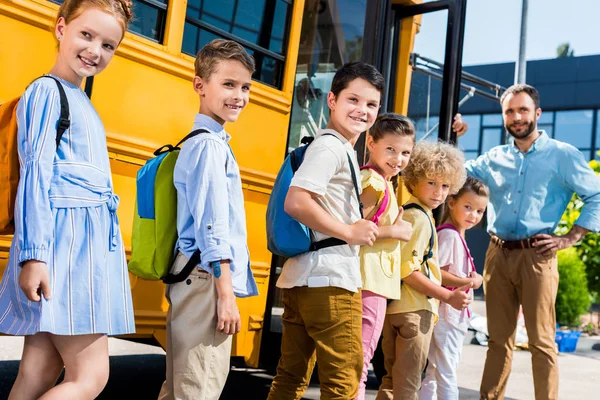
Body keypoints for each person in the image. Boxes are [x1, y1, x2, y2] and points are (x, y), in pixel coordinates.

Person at [0, 1, 135, 398]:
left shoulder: (80, 101)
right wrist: (35, 255)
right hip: (66, 252)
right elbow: (35, 175)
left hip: (73, 248)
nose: (96, 51)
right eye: (86, 35)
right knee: (89, 378)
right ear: (61, 28)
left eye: (109, 45)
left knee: (37, 375)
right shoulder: (47, 91)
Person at [461, 84, 600, 400]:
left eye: (523, 110)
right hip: (497, 254)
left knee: (541, 341)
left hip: (537, 257)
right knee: (498, 339)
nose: (516, 116)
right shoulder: (494, 158)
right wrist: (456, 138)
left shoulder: (562, 155)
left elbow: (597, 194)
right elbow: (456, 175)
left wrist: (571, 237)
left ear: (537, 113)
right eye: (510, 111)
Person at [267, 62, 383, 399]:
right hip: (330, 281)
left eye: (371, 104)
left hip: (302, 278)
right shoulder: (331, 146)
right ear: (332, 99)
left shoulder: (334, 146)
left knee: (289, 379)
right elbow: (297, 202)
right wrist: (349, 231)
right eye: (353, 100)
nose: (362, 110)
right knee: (343, 384)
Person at [157, 39, 259, 400]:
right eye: (228, 84)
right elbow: (213, 227)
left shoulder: (203, 141)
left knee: (181, 388)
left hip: (193, 276)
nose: (239, 96)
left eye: (245, 86)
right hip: (205, 279)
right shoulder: (210, 146)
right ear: (200, 85)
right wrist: (225, 293)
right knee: (197, 390)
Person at [376, 141, 471, 400]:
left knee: (391, 382)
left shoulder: (411, 213)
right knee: (407, 386)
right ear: (414, 179)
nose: (438, 192)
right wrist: (447, 296)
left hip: (396, 309)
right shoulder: (419, 218)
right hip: (414, 312)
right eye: (431, 182)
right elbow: (408, 271)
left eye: (445, 186)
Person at [356, 113, 415, 400]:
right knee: (360, 360)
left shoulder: (382, 181)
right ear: (371, 143)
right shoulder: (375, 183)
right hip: (370, 282)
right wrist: (397, 231)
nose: (398, 158)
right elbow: (357, 228)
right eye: (390, 149)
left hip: (369, 279)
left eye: (405, 152)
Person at [419, 177, 488, 400]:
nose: (473, 215)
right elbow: (436, 273)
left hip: (449, 316)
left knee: (434, 371)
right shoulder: (448, 235)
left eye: (479, 211)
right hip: (447, 316)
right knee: (447, 372)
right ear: (451, 203)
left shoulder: (455, 234)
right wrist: (469, 282)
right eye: (467, 207)